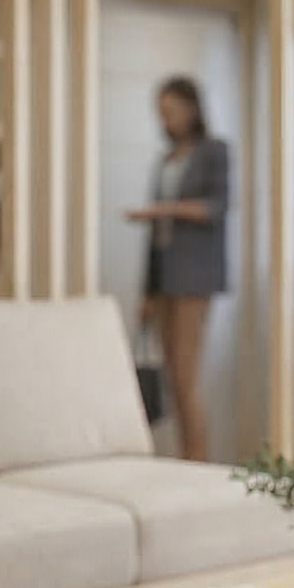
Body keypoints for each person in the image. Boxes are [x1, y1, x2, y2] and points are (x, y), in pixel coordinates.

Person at [126, 76, 229, 461]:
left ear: (191, 109)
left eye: (170, 111)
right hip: (164, 279)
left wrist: (163, 210)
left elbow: (215, 208)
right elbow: (156, 238)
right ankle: (184, 461)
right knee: (170, 377)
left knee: (186, 378)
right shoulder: (166, 161)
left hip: (194, 280)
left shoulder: (214, 152)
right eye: (161, 113)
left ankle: (197, 463)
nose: (165, 120)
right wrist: (147, 294)